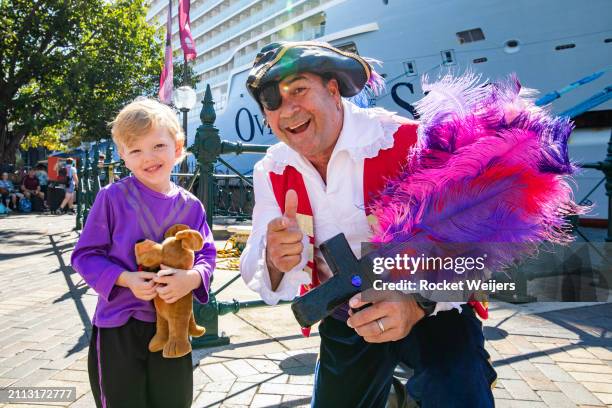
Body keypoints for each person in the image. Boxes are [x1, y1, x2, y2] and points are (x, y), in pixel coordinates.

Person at [239, 42, 496, 407]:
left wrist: (416, 302)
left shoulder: (408, 143)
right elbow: (255, 268)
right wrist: (273, 259)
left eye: (299, 89)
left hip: (432, 309)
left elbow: (477, 252)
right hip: (346, 314)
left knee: (457, 392)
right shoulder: (273, 171)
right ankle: (391, 395)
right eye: (273, 101)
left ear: (332, 90)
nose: (288, 109)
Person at [70, 98, 216, 408]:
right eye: (135, 150)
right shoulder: (111, 198)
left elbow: (206, 254)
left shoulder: (191, 207)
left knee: (173, 400)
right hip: (119, 325)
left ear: (177, 147)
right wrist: (125, 279)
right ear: (123, 156)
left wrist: (190, 279)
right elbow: (85, 255)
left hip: (173, 325)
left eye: (158, 146)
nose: (148, 158)